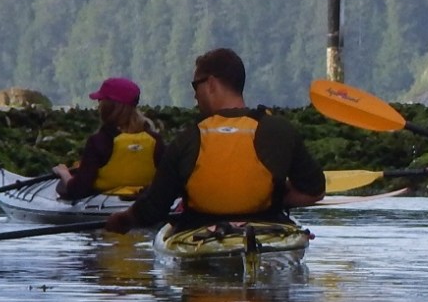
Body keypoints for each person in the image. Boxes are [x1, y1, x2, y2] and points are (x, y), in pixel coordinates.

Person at [103, 48, 325, 232]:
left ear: (210, 84)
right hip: (266, 229)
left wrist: (124, 219)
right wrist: (278, 196)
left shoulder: (188, 138)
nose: (194, 96)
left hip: (200, 231)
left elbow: (154, 208)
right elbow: (314, 191)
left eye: (195, 86)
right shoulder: (278, 129)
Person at [53, 76, 163, 202]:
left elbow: (78, 190)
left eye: (100, 100)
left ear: (107, 106)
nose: (98, 105)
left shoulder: (98, 141)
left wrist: (64, 173)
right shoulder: (155, 140)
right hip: (144, 201)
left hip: (105, 205)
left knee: (62, 188)